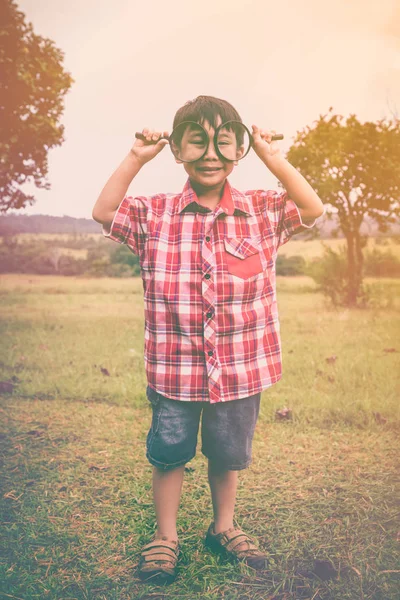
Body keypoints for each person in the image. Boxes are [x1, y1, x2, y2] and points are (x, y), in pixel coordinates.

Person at [92, 95, 325, 585]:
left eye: (223, 140)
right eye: (196, 140)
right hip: (174, 370)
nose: (210, 153)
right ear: (177, 149)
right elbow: (103, 210)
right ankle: (166, 536)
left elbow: (312, 207)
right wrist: (136, 157)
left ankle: (223, 527)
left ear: (237, 148)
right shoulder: (154, 215)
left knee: (226, 453)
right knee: (170, 451)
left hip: (241, 369)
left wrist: (273, 157)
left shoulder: (261, 211)